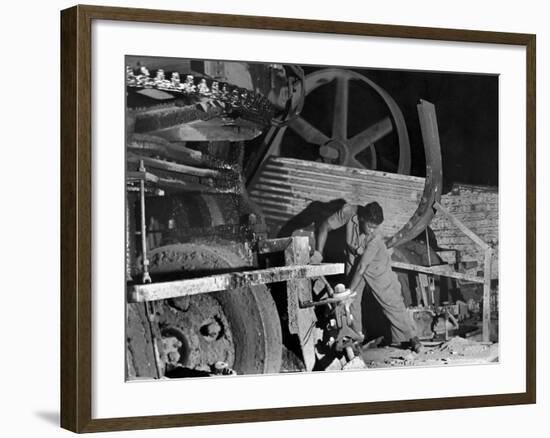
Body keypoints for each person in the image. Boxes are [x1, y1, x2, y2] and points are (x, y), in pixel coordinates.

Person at [311, 201, 422, 353]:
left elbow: (362, 268)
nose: (371, 230)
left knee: (390, 299)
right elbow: (325, 226)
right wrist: (318, 253)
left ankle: (411, 337)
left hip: (375, 264)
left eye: (375, 227)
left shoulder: (375, 238)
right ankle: (355, 338)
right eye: (369, 226)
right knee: (353, 303)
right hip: (353, 260)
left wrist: (348, 291)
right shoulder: (349, 212)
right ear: (362, 218)